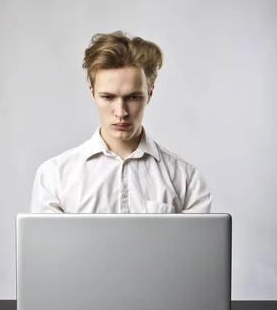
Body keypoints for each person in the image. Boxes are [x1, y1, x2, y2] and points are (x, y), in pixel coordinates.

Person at [30, 31, 212, 213]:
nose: (121, 112)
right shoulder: (54, 176)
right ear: (92, 93)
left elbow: (198, 242)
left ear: (150, 93)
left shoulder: (187, 180)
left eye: (133, 97)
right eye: (108, 97)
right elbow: (46, 242)